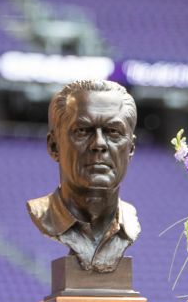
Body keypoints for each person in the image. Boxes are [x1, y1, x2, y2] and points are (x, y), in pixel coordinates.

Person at [27, 80, 141, 272]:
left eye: (113, 132)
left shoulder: (130, 224)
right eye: (82, 131)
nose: (99, 144)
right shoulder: (43, 215)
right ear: (54, 146)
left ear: (130, 149)